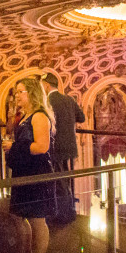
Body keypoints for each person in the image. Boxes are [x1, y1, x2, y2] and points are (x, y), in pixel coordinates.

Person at [5, 77, 56, 253]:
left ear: (32, 93)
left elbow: (42, 147)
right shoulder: (26, 115)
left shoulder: (39, 116)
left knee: (37, 219)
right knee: (18, 215)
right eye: (16, 92)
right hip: (24, 171)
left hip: (36, 173)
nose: (17, 95)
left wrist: (14, 147)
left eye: (21, 92)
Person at [44, 73, 86, 224]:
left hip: (55, 146)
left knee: (57, 181)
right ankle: (68, 210)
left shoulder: (46, 102)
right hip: (69, 146)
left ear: (46, 85)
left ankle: (62, 214)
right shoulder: (69, 99)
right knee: (65, 179)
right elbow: (82, 118)